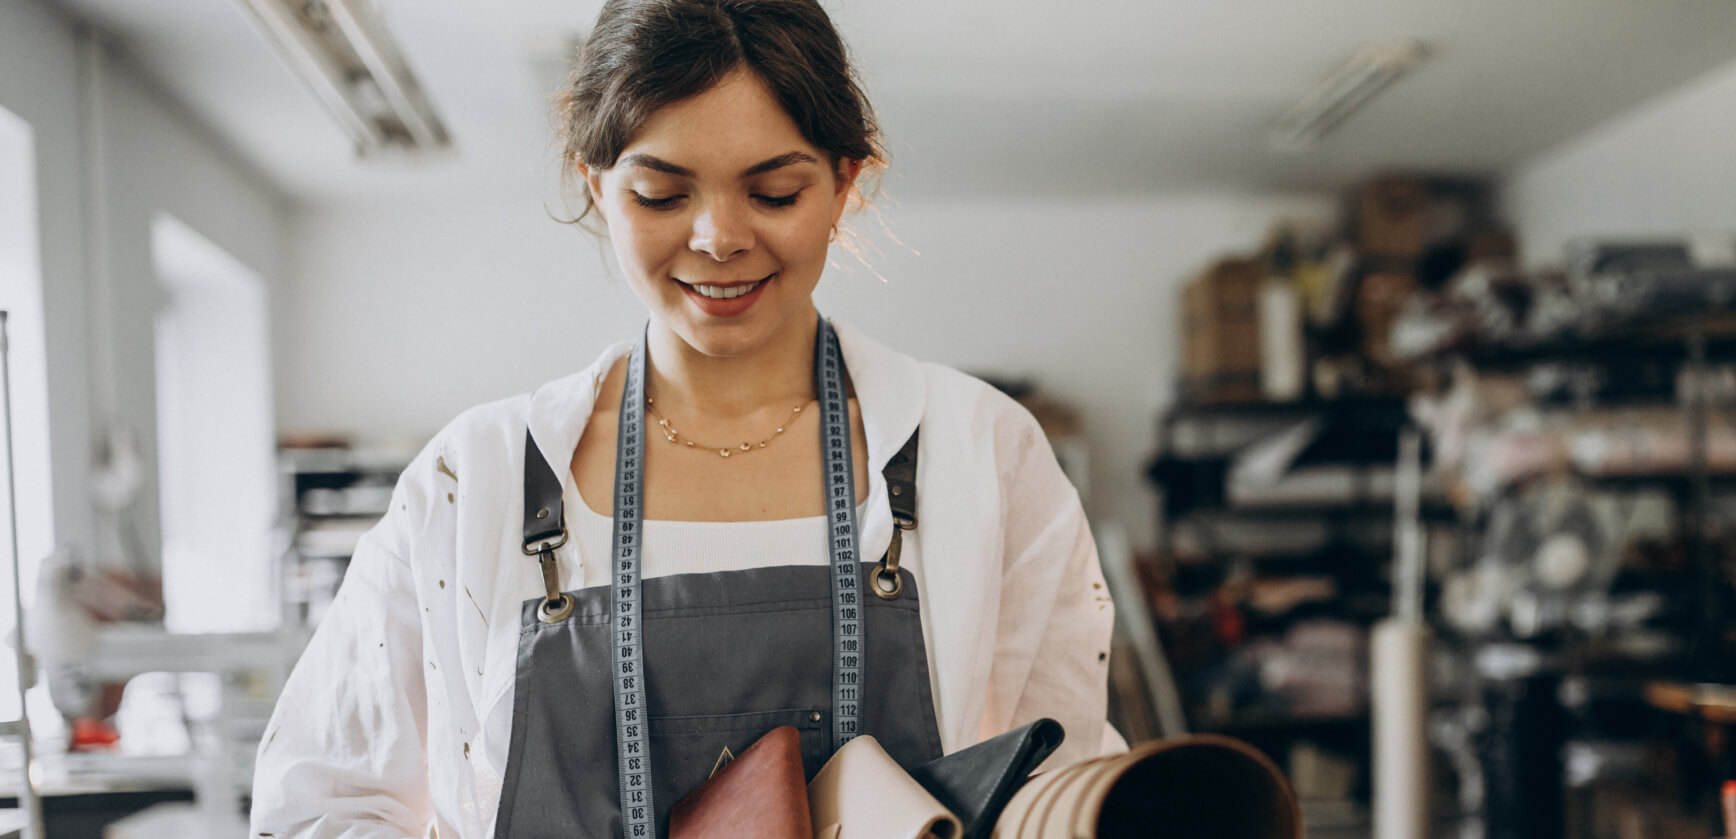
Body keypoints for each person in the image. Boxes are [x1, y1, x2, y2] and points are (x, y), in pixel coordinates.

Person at [249, 0, 1119, 836]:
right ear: (596, 186)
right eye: (662, 196)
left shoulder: (980, 453)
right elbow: (319, 802)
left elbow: (1060, 781)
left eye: (774, 192)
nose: (718, 238)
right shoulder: (472, 480)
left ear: (846, 182)